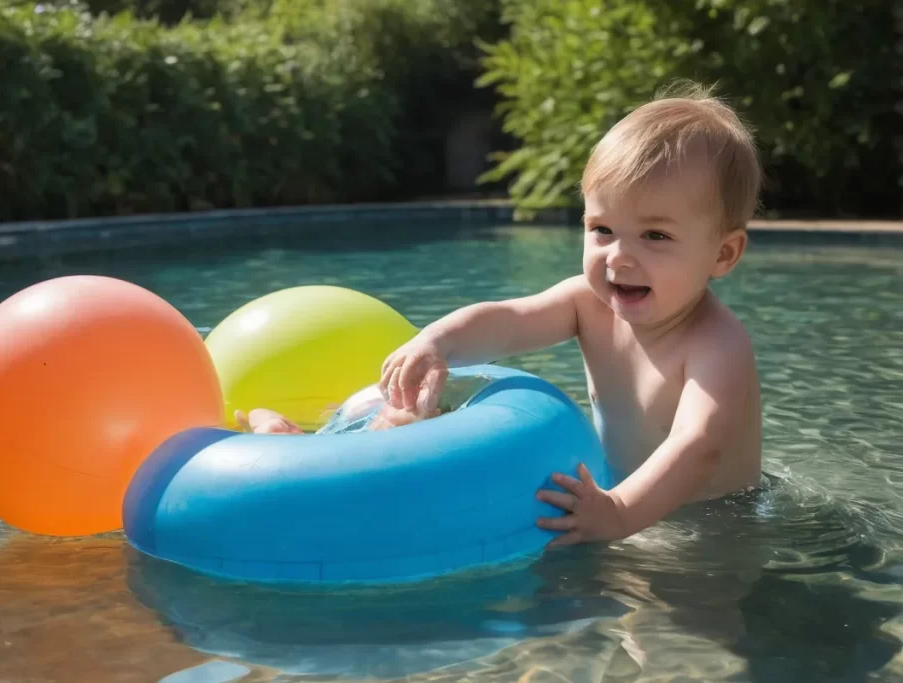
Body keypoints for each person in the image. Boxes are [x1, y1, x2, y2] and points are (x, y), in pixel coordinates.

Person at [237, 82, 763, 548]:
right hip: (617, 500)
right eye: (602, 229)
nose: (618, 257)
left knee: (665, 624)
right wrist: (437, 342)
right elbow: (509, 320)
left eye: (655, 236)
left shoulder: (716, 346)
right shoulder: (588, 302)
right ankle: (317, 453)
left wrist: (620, 512)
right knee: (414, 419)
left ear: (723, 254)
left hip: (710, 530)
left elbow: (697, 447)